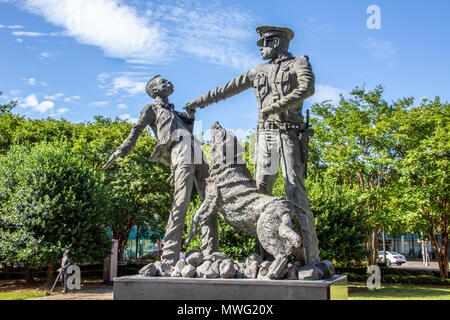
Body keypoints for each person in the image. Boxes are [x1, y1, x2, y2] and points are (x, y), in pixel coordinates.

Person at [185, 26, 320, 266]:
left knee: (295, 191)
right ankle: (269, 257)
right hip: (265, 138)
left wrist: (275, 107)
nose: (261, 49)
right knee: (261, 195)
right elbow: (227, 89)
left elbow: (306, 88)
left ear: (277, 42)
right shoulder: (258, 71)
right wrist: (198, 102)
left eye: (265, 44)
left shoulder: (299, 62)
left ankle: (311, 257)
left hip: (289, 135)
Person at [103, 75, 218, 267]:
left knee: (210, 200)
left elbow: (186, 127)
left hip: (196, 149)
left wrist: (190, 115)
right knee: (181, 201)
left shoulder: (176, 111)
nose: (169, 83)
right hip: (179, 151)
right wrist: (120, 151)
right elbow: (135, 131)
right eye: (163, 82)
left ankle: (211, 252)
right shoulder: (151, 109)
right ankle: (170, 256)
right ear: (155, 91)